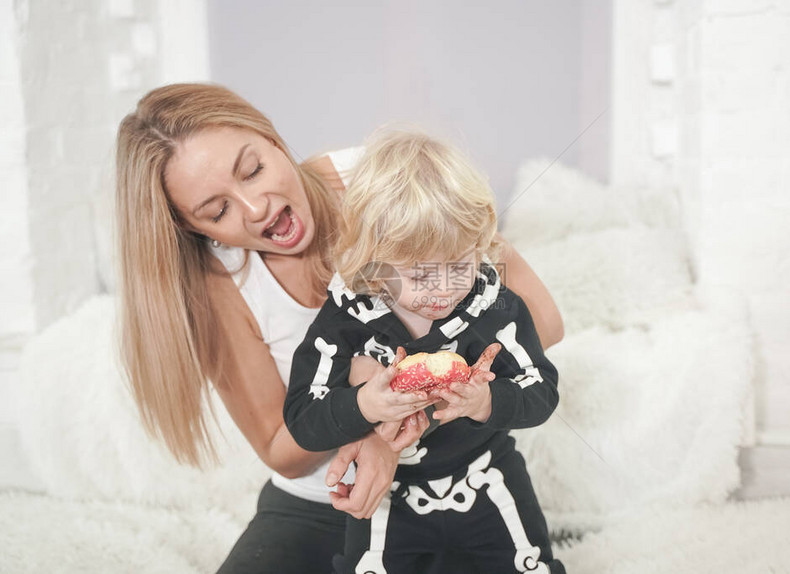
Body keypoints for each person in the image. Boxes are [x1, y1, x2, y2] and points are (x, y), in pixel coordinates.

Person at [115, 83, 564, 573]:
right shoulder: (218, 286)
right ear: (192, 229)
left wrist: (393, 434)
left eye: (253, 169)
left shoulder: (379, 179)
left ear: (274, 140)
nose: (255, 207)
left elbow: (538, 318)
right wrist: (367, 407)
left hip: (450, 472)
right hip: (325, 497)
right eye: (217, 210)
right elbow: (282, 450)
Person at [285, 130, 566, 573]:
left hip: (486, 478)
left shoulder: (495, 306)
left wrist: (487, 401)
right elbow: (303, 419)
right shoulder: (344, 321)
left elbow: (542, 391)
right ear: (374, 263)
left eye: (460, 265)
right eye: (419, 276)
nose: (444, 289)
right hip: (390, 496)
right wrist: (365, 403)